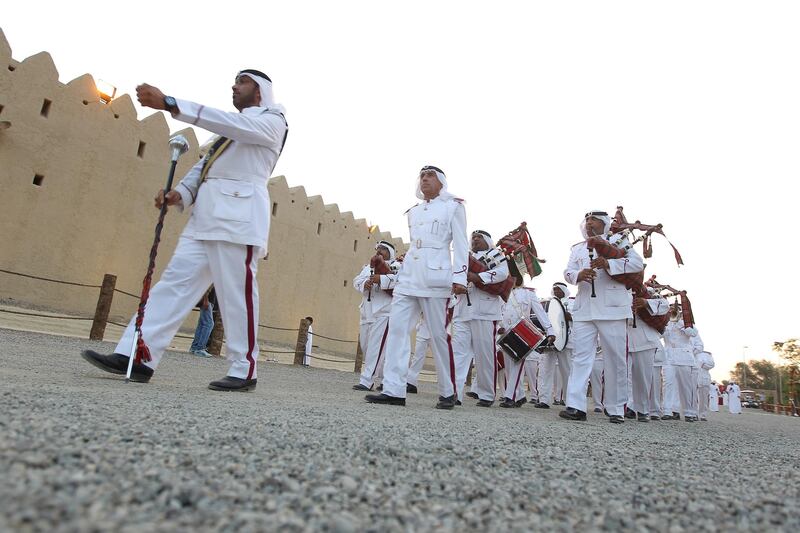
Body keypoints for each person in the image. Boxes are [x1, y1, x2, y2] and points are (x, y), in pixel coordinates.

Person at [81, 69, 287, 391]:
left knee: (237, 295)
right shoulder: (225, 135)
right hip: (204, 219)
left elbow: (232, 124)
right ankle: (137, 354)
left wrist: (172, 103)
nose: (234, 86)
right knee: (171, 286)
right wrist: (181, 193)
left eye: (242, 82)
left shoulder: (272, 122)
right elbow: (204, 168)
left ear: (260, 91)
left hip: (238, 219)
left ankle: (244, 368)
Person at [365, 166, 469, 409]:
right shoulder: (413, 212)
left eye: (430, 175)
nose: (424, 179)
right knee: (398, 331)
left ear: (441, 181)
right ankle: (393, 389)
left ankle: (448, 391)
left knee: (438, 335)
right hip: (410, 276)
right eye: (422, 176)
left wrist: (460, 278)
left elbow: (461, 245)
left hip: (436, 277)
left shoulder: (454, 206)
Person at [559, 210, 643, 423]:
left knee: (615, 360)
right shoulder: (578, 248)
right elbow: (568, 272)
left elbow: (636, 264)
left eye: (594, 220)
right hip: (585, 309)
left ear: (604, 223)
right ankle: (575, 406)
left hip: (613, 308)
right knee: (580, 358)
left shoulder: (618, 241)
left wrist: (609, 264)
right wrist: (579, 275)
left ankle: (616, 408)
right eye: (587, 220)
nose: (589, 223)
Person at [451, 230, 510, 407]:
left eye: (479, 238)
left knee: (485, 355)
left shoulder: (496, 255)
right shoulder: (463, 256)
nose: (475, 240)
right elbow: (452, 275)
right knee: (458, 353)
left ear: (487, 241)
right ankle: (454, 393)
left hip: (485, 311)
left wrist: (478, 277)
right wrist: (455, 286)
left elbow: (502, 273)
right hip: (462, 310)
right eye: (473, 238)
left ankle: (486, 394)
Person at [498, 276, 554, 408]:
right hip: (505, 333)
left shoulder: (529, 294)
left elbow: (540, 313)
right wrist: (497, 327)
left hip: (522, 332)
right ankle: (520, 396)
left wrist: (550, 330)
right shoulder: (503, 292)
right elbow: (498, 311)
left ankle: (510, 397)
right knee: (509, 368)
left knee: (517, 365)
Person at [352, 242, 399, 390]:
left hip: (384, 312)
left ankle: (367, 381)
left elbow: (400, 282)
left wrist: (382, 280)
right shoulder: (368, 267)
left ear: (390, 252)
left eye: (383, 250)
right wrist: (364, 284)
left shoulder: (397, 266)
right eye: (378, 249)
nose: (379, 252)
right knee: (366, 347)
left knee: (376, 348)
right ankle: (389, 379)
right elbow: (356, 280)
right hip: (366, 311)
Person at [626, 288, 669, 422]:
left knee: (643, 378)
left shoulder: (647, 293)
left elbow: (665, 306)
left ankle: (643, 410)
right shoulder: (618, 289)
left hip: (645, 339)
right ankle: (627, 407)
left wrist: (645, 302)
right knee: (623, 377)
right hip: (623, 336)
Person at [535, 283, 572, 409]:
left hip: (566, 342)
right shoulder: (549, 304)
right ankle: (544, 400)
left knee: (567, 371)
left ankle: (570, 401)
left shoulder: (572, 303)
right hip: (551, 341)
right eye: (554, 289)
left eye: (559, 289)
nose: (556, 291)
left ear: (564, 291)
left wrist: (571, 318)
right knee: (545, 370)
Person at [663, 304, 703, 421]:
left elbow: (693, 333)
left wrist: (682, 324)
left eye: (675, 311)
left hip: (684, 357)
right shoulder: (666, 324)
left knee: (686, 386)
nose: (673, 313)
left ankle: (689, 412)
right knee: (668, 384)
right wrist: (665, 322)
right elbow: (661, 334)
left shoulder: (687, 324)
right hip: (669, 356)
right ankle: (667, 410)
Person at [189, 287, 217, 357]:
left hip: (210, 300)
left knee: (202, 324)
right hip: (207, 300)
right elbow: (207, 286)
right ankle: (199, 349)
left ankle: (194, 348)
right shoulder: (214, 275)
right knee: (209, 324)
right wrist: (206, 299)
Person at [406, 313, 430, 394]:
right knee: (417, 356)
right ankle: (411, 382)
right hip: (423, 326)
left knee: (443, 360)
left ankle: (448, 389)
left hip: (440, 328)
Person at [696, 350, 715, 420]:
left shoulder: (706, 355)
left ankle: (702, 415)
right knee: (691, 397)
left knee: (703, 398)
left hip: (704, 377)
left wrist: (701, 364)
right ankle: (692, 413)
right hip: (692, 375)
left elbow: (711, 364)